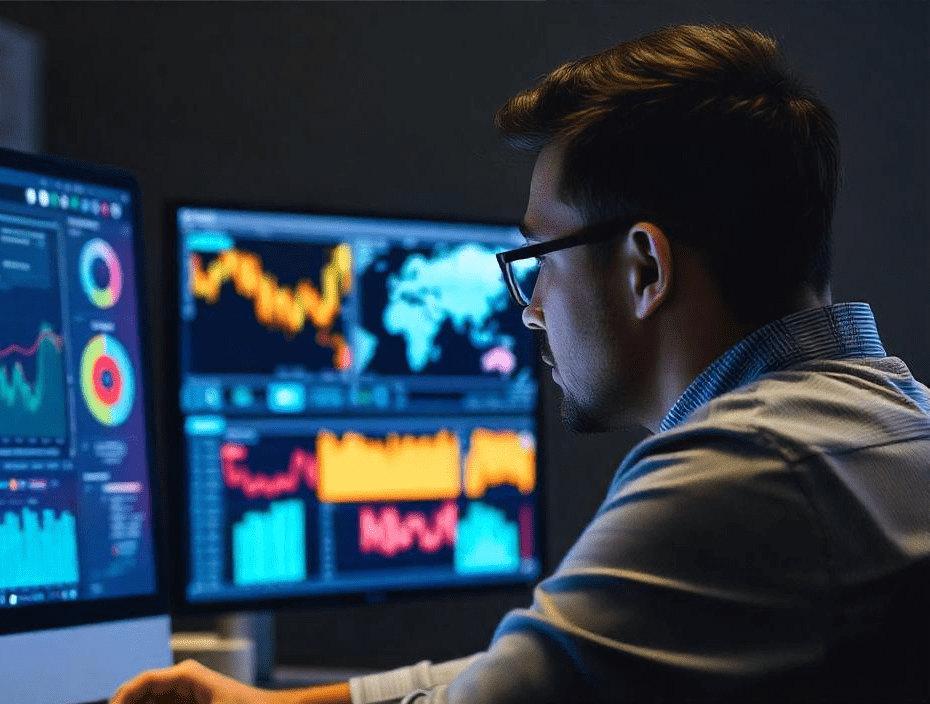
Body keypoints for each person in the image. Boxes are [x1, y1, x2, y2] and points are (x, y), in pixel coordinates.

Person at [111, 23, 930, 704]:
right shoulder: (890, 421)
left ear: (644, 268)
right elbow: (545, 667)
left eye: (539, 258)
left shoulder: (739, 469)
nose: (532, 306)